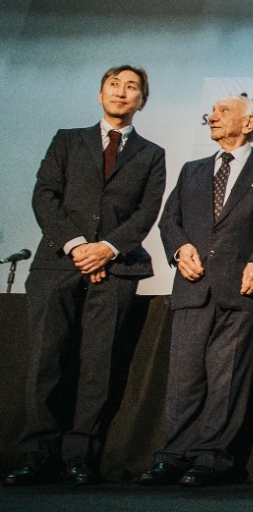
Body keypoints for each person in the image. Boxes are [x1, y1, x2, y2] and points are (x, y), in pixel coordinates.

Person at [5, 66, 166, 486]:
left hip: (116, 269)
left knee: (99, 364)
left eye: (132, 87)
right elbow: (45, 196)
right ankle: (37, 454)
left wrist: (106, 250)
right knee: (46, 360)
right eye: (114, 85)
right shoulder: (67, 140)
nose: (122, 92)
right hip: (59, 264)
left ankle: (80, 455)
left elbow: (146, 214)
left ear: (141, 101)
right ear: (100, 95)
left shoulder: (152, 154)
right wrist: (78, 246)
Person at [137, 95, 253, 487]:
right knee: (184, 378)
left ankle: (211, 458)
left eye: (222, 112)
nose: (212, 116)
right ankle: (173, 456)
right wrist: (180, 248)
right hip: (193, 287)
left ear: (248, 123)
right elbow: (169, 221)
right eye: (212, 112)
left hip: (242, 289)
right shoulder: (192, 170)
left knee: (227, 379)